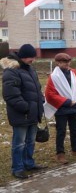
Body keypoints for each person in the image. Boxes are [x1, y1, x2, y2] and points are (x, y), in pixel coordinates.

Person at [1, 44, 47, 179]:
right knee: (19, 143)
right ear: (23, 57)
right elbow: (11, 94)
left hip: (33, 112)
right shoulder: (11, 70)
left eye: (33, 57)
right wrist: (26, 107)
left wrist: (41, 100)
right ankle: (18, 168)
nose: (33, 60)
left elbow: (36, 89)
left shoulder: (29, 69)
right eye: (30, 57)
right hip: (21, 113)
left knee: (30, 141)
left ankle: (28, 163)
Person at [44, 53, 76, 164]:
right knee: (61, 131)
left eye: (68, 62)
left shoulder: (74, 73)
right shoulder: (54, 76)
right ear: (58, 63)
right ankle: (60, 153)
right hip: (62, 108)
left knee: (75, 129)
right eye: (64, 62)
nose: (67, 64)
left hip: (75, 107)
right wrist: (66, 102)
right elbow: (50, 94)